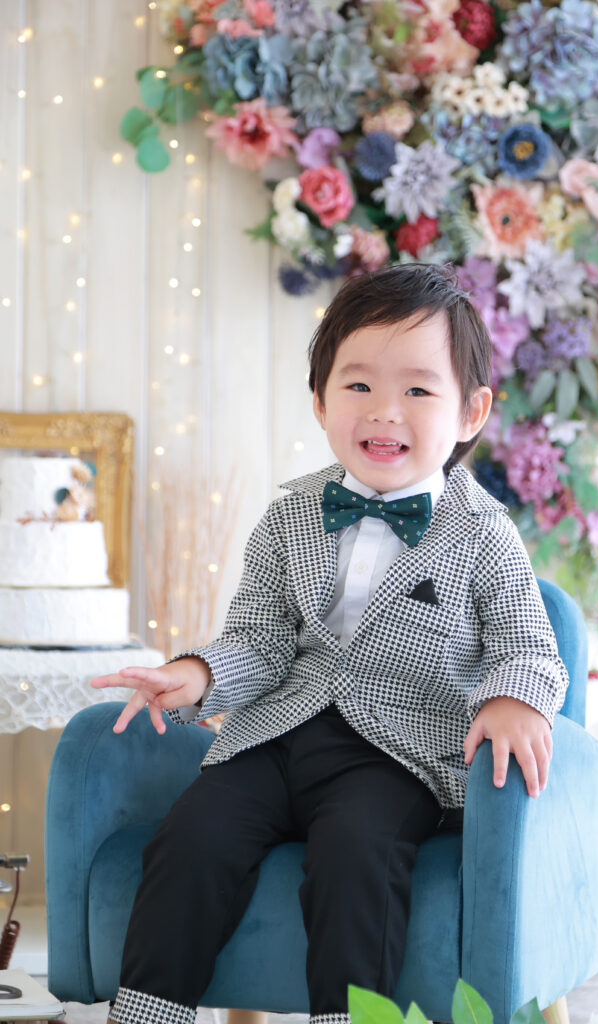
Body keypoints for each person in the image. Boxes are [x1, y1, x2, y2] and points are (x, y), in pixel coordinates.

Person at [91, 263, 569, 1024]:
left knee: (357, 857)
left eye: (418, 391)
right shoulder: (289, 517)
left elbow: (527, 646)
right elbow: (259, 638)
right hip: (276, 735)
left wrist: (513, 700)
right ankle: (149, 1012)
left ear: (471, 411)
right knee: (191, 838)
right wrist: (197, 674)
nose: (385, 411)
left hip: (396, 753)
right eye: (358, 385)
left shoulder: (483, 535)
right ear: (320, 401)